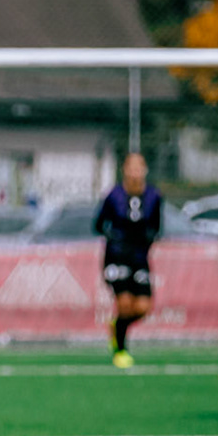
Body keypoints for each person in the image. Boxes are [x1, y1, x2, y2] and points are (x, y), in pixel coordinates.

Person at [95, 152, 162, 368]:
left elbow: (157, 226)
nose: (135, 171)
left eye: (139, 167)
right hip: (116, 255)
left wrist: (148, 238)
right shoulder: (114, 195)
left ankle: (116, 327)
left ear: (145, 170)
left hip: (139, 257)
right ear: (124, 169)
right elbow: (98, 224)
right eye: (131, 167)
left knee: (142, 307)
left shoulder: (153, 196)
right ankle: (121, 350)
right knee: (124, 303)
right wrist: (114, 238)